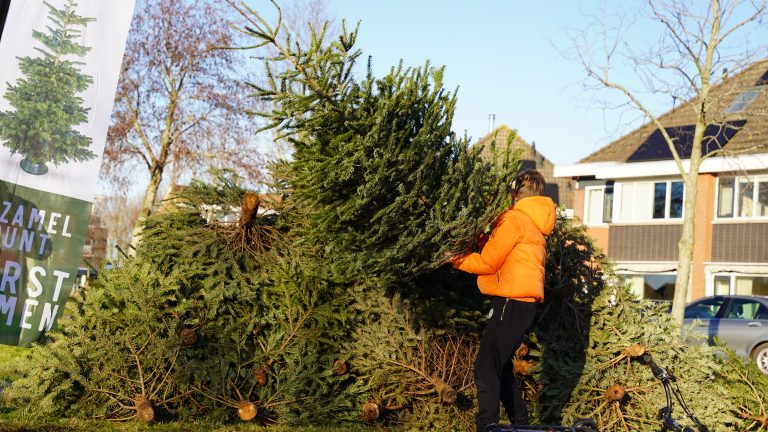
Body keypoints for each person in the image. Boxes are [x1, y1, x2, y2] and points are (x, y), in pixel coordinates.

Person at [451, 169, 556, 432]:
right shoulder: (534, 223)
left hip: (510, 301)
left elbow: (487, 262)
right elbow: (499, 250)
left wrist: (453, 257)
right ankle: (521, 425)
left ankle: (487, 426)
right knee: (501, 369)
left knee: (485, 367)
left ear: (513, 193)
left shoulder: (515, 219)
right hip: (524, 305)